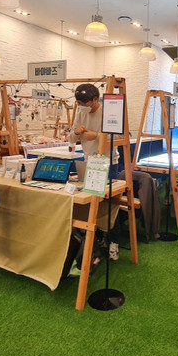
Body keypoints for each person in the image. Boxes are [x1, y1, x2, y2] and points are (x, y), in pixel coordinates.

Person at [69, 83, 121, 259]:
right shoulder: (80, 113)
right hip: (89, 163)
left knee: (111, 204)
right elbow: (70, 138)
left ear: (95, 99)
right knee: (93, 203)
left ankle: (113, 242)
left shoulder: (109, 112)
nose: (81, 106)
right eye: (78, 103)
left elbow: (120, 136)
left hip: (109, 163)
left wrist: (97, 136)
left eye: (84, 102)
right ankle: (98, 240)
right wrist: (77, 132)